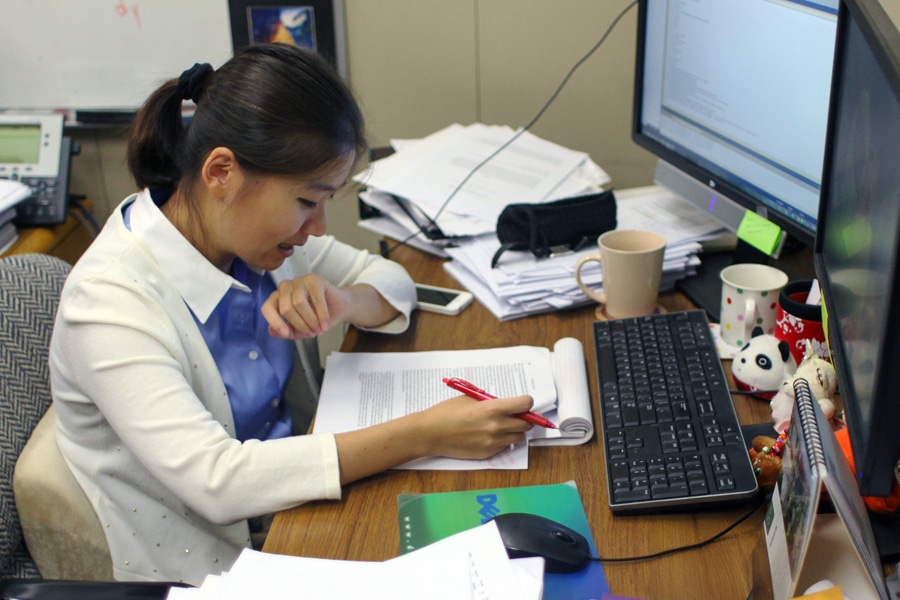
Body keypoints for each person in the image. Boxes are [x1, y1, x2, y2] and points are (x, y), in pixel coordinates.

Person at [49, 43, 534, 585]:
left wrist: (342, 301)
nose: (321, 226)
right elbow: (220, 481)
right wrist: (426, 433)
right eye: (308, 201)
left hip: (301, 500)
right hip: (217, 564)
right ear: (221, 172)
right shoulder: (109, 300)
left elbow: (390, 279)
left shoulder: (253, 233)